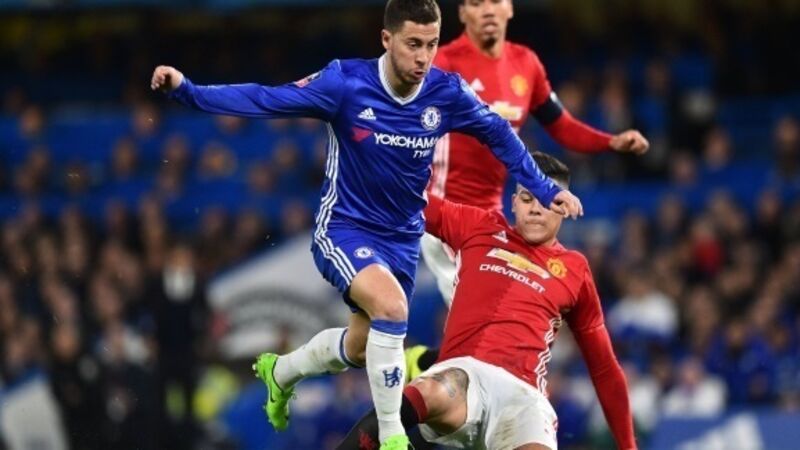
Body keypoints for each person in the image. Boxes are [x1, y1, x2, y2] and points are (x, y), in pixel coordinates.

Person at [150, 1, 582, 448]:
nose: (423, 57)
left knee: (360, 348)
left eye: (431, 45)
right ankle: (393, 437)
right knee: (392, 309)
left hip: (403, 240)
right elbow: (265, 98)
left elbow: (499, 133)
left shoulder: (446, 91)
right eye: (413, 44)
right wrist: (187, 90)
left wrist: (544, 188)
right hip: (346, 228)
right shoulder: (346, 83)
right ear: (386, 39)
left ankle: (281, 371)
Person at [409, 0, 650, 381]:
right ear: (463, 13)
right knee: (489, 326)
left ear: (510, 8)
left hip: (494, 217)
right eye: (476, 3)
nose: (488, 9)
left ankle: (421, 366)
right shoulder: (444, 62)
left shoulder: (525, 63)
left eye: (495, 1)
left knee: (493, 333)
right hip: (447, 216)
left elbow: (560, 125)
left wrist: (611, 141)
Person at [337, 152, 636, 450]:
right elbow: (408, 200)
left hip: (524, 396)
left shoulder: (576, 270)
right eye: (527, 198)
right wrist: (361, 153)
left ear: (565, 207)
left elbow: (604, 368)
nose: (535, 209)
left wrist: (628, 446)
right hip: (462, 377)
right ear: (513, 202)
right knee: (427, 392)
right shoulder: (480, 226)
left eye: (548, 201)